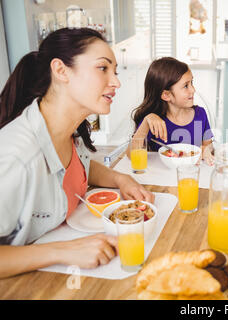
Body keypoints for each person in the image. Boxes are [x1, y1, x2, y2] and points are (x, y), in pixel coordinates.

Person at [0, 28, 154, 279]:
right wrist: (62, 251)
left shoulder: (70, 132)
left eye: (114, 71)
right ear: (61, 71)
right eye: (103, 68)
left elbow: (80, 166)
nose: (116, 81)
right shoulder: (15, 159)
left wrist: (120, 179)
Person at [131, 57, 214, 165]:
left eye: (191, 83)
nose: (193, 90)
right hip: (160, 178)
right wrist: (146, 122)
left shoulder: (200, 114)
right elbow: (131, 154)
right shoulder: (152, 121)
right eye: (185, 86)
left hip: (191, 176)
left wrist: (205, 150)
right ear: (166, 95)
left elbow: (208, 146)